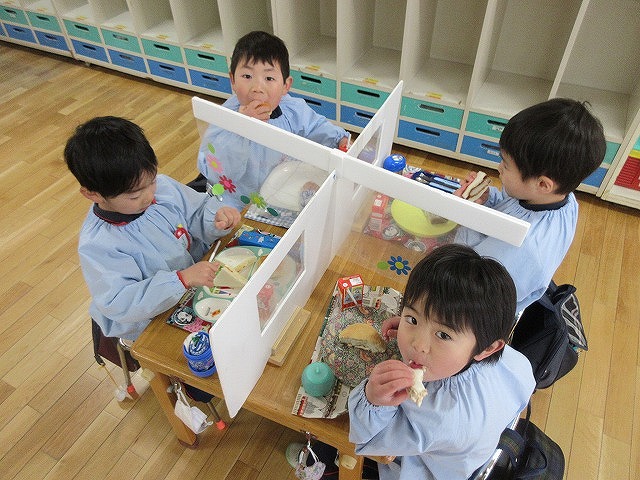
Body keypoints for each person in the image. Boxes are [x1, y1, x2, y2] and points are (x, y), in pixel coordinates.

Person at [348, 244, 536, 480]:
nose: (418, 345)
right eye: (412, 318)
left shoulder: (439, 420)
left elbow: (372, 440)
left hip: (431, 469)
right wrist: (418, 326)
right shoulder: (512, 362)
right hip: (481, 443)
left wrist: (373, 401)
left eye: (443, 335)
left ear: (487, 348)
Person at [64, 116, 241, 341]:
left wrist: (217, 219)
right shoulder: (99, 244)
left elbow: (197, 212)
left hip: (195, 285)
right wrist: (180, 280)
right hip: (151, 319)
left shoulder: (162, 188)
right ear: (93, 194)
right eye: (134, 195)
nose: (149, 196)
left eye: (152, 181)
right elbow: (120, 301)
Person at [454, 98, 606, 313]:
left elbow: (467, 272)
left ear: (543, 184)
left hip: (474, 304)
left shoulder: (523, 249)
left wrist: (467, 213)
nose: (499, 168)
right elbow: (509, 207)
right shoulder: (561, 198)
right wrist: (486, 199)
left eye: (506, 164)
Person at [192, 31, 349, 209]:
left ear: (285, 86)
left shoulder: (292, 109)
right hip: (237, 201)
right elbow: (216, 168)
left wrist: (339, 139)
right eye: (247, 76)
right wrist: (242, 128)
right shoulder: (225, 117)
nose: (257, 88)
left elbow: (315, 127)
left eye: (269, 78)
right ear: (233, 80)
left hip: (281, 192)